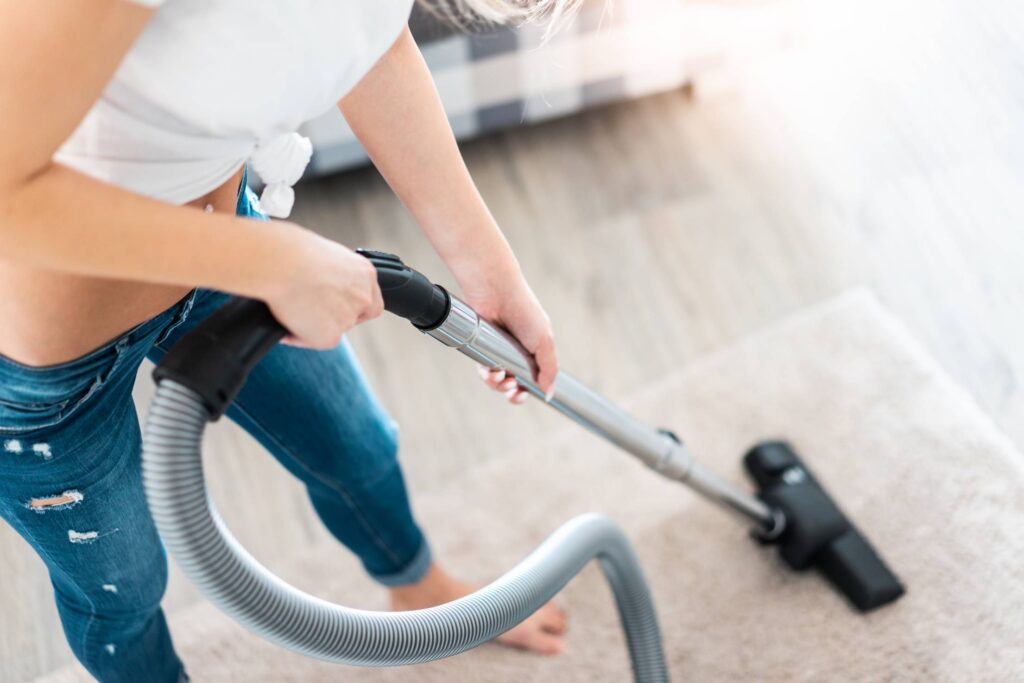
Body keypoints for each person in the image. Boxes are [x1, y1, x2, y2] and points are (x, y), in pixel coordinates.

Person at [0, 1, 581, 680]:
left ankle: (416, 584)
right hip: (45, 372)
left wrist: (491, 273)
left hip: (226, 252)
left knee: (356, 444)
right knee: (123, 586)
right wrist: (277, 264)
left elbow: (373, 43)